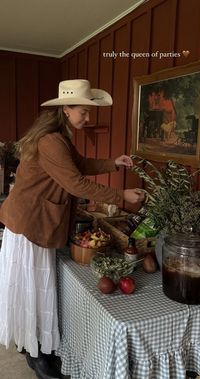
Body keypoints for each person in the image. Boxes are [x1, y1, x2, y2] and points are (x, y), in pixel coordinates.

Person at [0, 79, 145, 379]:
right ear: (66, 109)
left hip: (35, 220)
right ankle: (36, 355)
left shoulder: (59, 137)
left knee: (35, 290)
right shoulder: (51, 141)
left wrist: (113, 163)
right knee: (33, 291)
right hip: (30, 223)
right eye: (84, 111)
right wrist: (122, 197)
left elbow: (80, 165)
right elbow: (75, 183)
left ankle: (35, 349)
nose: (88, 118)